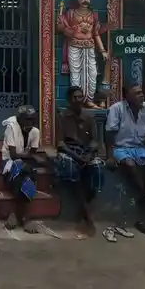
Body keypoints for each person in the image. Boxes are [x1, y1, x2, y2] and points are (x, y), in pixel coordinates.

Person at [106, 84, 145, 234]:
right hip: (121, 148)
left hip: (140, 148)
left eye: (142, 92)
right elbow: (109, 133)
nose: (141, 95)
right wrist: (110, 156)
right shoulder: (117, 109)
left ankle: (144, 199)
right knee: (130, 165)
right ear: (127, 96)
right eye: (137, 93)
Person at [55, 86, 106, 238]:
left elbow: (95, 141)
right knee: (70, 166)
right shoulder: (63, 117)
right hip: (70, 152)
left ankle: (86, 204)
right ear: (69, 100)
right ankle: (86, 213)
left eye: (81, 97)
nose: (79, 100)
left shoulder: (89, 117)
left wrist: (89, 154)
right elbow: (60, 144)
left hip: (85, 152)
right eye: (75, 97)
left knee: (97, 166)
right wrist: (77, 157)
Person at [1, 105, 41, 234]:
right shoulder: (11, 127)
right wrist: (28, 157)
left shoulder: (35, 132)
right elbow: (13, 155)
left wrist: (28, 158)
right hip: (9, 162)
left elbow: (31, 155)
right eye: (27, 119)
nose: (30, 123)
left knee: (27, 174)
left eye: (32, 120)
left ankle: (15, 213)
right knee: (20, 170)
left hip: (25, 163)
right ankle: (25, 216)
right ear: (20, 119)